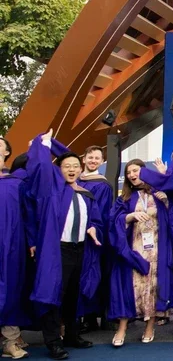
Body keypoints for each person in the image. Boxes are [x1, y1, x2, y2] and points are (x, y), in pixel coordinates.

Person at [25, 130, 104, 360]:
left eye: (75, 166)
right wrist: (46, 144)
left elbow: (96, 220)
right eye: (66, 166)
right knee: (53, 295)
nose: (71, 169)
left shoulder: (86, 194)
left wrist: (93, 228)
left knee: (73, 295)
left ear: (81, 170)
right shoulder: (53, 190)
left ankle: (71, 334)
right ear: (59, 170)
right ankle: (52, 341)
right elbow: (41, 168)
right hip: (58, 250)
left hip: (81, 249)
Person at [107, 158, 173, 347]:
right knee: (130, 287)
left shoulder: (158, 195)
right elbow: (112, 220)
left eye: (136, 171)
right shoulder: (123, 198)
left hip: (157, 249)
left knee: (154, 287)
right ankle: (122, 327)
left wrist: (164, 180)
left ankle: (150, 326)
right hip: (133, 250)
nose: (132, 175)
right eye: (129, 172)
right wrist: (129, 216)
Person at [76, 146, 113, 334]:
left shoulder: (102, 185)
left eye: (97, 158)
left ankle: (91, 317)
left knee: (91, 274)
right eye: (90, 157)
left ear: (101, 161)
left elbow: (102, 213)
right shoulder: (75, 180)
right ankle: (81, 316)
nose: (93, 160)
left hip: (93, 236)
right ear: (84, 159)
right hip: (74, 236)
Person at [0, 136, 29, 360]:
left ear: (7, 151)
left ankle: (10, 340)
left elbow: (30, 216)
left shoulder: (16, 183)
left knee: (10, 288)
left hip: (10, 245)